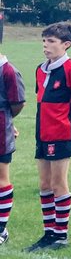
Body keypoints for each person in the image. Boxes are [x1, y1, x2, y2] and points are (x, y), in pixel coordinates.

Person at [26, 22, 71, 251]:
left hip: (61, 133)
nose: (45, 46)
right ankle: (48, 232)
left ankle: (61, 234)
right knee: (44, 183)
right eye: (44, 41)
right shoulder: (41, 69)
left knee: (59, 183)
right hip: (43, 133)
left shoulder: (70, 69)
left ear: (66, 44)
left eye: (51, 41)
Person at [0, 48, 27, 246]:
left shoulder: (8, 71)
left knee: (1, 178)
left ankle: (1, 228)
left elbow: (17, 103)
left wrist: (7, 121)